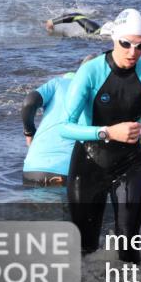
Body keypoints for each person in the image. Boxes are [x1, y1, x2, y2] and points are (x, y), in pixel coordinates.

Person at [60, 8, 141, 263]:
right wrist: (108, 132)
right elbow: (65, 127)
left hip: (131, 165)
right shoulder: (90, 72)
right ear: (114, 39)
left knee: (129, 248)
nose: (133, 52)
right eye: (126, 44)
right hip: (89, 164)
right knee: (84, 249)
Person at [21, 54, 99, 186]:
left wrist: (29, 132)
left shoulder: (57, 83)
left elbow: (29, 102)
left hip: (32, 169)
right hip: (67, 174)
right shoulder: (102, 93)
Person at [45, 12, 114, 37]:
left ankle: (51, 22)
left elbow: (76, 16)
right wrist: (52, 22)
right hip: (99, 32)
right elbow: (76, 16)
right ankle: (51, 22)